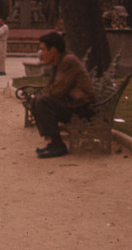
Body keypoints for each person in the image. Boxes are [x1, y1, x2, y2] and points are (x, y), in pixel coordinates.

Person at [31, 31, 95, 159]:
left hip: (83, 108)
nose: (41, 54)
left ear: (53, 50)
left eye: (43, 50)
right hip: (73, 104)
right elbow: (51, 89)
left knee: (42, 101)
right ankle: (54, 142)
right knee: (37, 101)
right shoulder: (59, 61)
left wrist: (46, 94)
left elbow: (56, 91)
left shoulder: (67, 61)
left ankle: (58, 145)